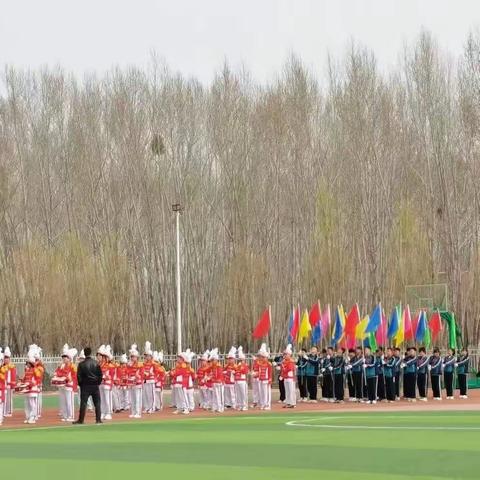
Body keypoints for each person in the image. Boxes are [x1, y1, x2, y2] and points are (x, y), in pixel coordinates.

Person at [74, 347, 102, 424]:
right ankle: (98, 419)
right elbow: (100, 375)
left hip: (85, 386)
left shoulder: (81, 364)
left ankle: (81, 420)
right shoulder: (96, 363)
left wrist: (81, 385)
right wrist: (98, 383)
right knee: (97, 403)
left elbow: (79, 376)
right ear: (90, 353)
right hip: (95, 385)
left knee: (83, 403)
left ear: (84, 354)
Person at [52, 344, 78, 422]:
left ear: (69, 358)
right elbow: (57, 372)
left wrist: (73, 384)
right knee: (63, 401)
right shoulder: (62, 366)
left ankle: (71, 416)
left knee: (69, 401)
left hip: (69, 385)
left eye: (65, 357)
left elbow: (75, 376)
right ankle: (65, 415)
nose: (63, 359)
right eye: (63, 357)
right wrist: (57, 375)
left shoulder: (73, 366)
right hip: (62, 386)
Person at [256, 343, 272, 410]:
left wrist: (270, 379)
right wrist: (256, 375)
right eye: (261, 357)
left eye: (264, 357)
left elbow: (270, 372)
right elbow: (258, 371)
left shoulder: (269, 364)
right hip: (261, 379)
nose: (262, 358)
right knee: (262, 392)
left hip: (266, 380)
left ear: (266, 357)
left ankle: (267, 405)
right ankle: (262, 404)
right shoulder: (260, 363)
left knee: (266, 393)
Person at [280, 344, 296, 408]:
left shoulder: (291, 361)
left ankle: (292, 403)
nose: (285, 355)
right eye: (285, 354)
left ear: (289, 354)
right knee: (287, 390)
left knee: (291, 390)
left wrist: (283, 369)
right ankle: (288, 402)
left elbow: (290, 369)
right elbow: (282, 369)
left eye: (286, 354)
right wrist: (282, 375)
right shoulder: (284, 361)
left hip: (290, 378)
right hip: (286, 377)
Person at [142, 342, 156, 414]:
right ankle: (147, 407)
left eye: (147, 356)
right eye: (145, 356)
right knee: (146, 395)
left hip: (151, 380)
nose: (146, 357)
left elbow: (156, 371)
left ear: (150, 356)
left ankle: (152, 407)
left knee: (151, 395)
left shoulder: (153, 363)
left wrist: (150, 374)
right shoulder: (144, 363)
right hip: (145, 380)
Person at [1, 347, 15, 418]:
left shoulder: (11, 366)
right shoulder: (3, 366)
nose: (6, 359)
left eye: (7, 358)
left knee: (9, 399)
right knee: (4, 399)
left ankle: (9, 411)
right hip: (4, 384)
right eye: (5, 358)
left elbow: (13, 376)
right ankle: (4, 411)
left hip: (9, 384)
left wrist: (12, 384)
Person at [235, 346, 249, 411]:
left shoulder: (245, 365)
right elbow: (236, 372)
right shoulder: (238, 365)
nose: (240, 360)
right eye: (240, 359)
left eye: (242, 359)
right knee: (239, 394)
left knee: (243, 394)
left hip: (242, 381)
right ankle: (240, 405)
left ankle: (244, 405)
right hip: (237, 380)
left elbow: (245, 372)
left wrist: (241, 368)